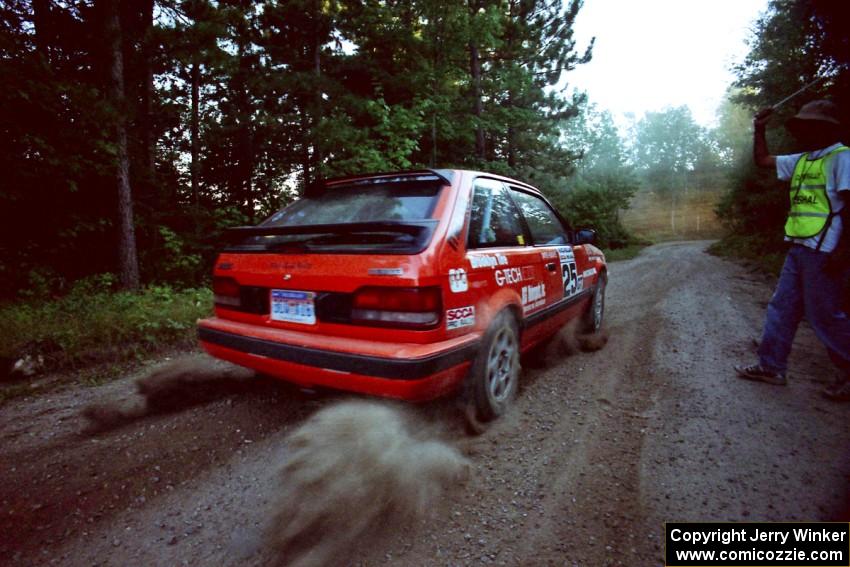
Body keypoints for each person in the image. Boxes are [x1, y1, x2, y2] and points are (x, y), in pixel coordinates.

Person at [734, 99, 850, 401]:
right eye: (804, 125)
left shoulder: (842, 157)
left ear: (826, 128)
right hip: (798, 248)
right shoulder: (803, 160)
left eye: (812, 125)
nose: (806, 131)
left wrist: (843, 251)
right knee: (781, 309)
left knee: (825, 316)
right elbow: (763, 161)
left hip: (825, 251)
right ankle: (771, 367)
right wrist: (759, 129)